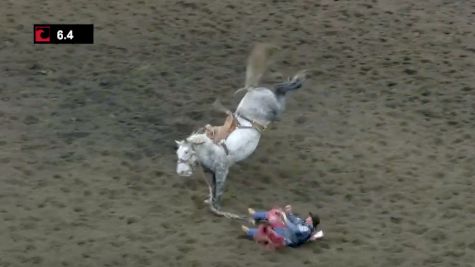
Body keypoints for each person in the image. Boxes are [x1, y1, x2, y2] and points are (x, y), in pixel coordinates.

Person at [241, 205, 323, 248]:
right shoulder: (305, 224)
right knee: (275, 213)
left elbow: (294, 229)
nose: (308, 217)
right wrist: (289, 213)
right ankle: (255, 215)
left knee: (269, 231)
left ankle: (249, 231)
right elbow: (295, 220)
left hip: (286, 238)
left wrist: (285, 218)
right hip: (285, 231)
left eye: (310, 217)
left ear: (311, 221)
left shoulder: (306, 229)